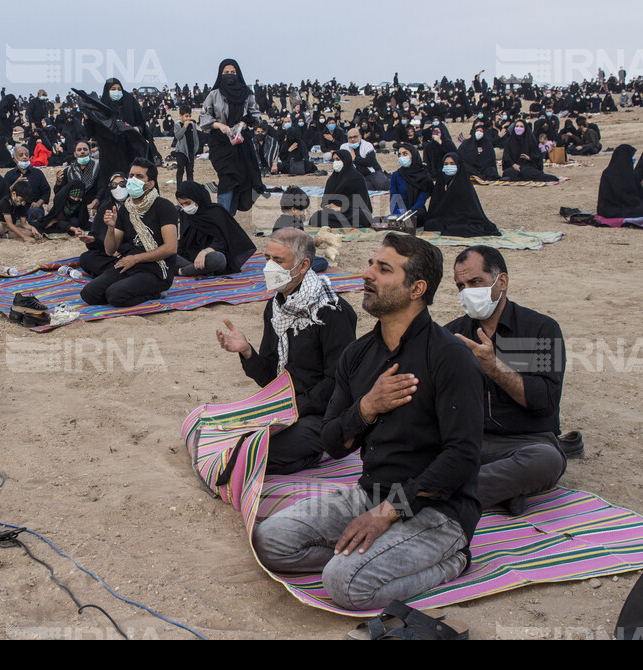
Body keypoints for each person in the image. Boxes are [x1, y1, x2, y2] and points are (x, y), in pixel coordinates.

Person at [253, 234, 484, 611]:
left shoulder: (450, 357)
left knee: (344, 584)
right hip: (368, 494)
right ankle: (365, 556)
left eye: (383, 269)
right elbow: (330, 442)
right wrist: (367, 407)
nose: (367, 274)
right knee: (269, 540)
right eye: (371, 264)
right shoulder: (358, 355)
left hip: (436, 508)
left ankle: (455, 558)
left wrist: (388, 512)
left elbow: (463, 457)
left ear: (417, 289)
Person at [216, 228, 357, 475]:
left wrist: (290, 408)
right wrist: (247, 351)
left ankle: (318, 452)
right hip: (288, 407)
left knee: (250, 454)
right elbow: (271, 377)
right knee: (224, 438)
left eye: (278, 261)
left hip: (323, 415)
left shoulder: (331, 312)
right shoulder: (277, 307)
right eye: (267, 258)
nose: (269, 267)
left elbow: (338, 384)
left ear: (303, 266)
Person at [446, 246, 566, 515]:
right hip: (467, 441)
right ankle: (503, 491)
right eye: (460, 285)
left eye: (475, 282)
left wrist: (494, 367)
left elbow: (545, 402)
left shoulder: (540, 329)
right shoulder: (452, 335)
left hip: (524, 443)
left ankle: (445, 497)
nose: (467, 292)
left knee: (545, 461)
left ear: (502, 281)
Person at [80, 158, 178, 308]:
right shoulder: (127, 208)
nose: (133, 180)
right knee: (89, 294)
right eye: (131, 176)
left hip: (156, 270)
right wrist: (111, 228)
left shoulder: (163, 206)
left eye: (139, 177)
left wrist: (136, 259)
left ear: (150, 184)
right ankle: (129, 288)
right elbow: (110, 250)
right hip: (129, 265)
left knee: (115, 295)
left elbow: (171, 248)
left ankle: (156, 292)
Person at [199, 59, 264, 216]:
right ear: (221, 74)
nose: (229, 75)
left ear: (238, 74)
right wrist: (220, 126)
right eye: (226, 73)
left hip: (241, 144)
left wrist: (244, 123)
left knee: (240, 180)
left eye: (232, 73)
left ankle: (229, 216)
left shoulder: (247, 94)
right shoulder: (214, 95)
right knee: (227, 177)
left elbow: (256, 115)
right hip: (220, 143)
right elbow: (204, 117)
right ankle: (222, 215)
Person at [174, 181, 256, 276]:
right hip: (190, 258)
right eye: (182, 204)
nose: (185, 207)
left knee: (217, 259)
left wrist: (205, 252)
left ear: (197, 198)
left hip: (210, 257)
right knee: (164, 255)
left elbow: (224, 240)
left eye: (187, 203)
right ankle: (195, 269)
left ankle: (181, 271)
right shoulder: (185, 215)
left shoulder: (216, 212)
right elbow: (185, 243)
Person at [424, 154, 500, 237]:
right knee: (429, 224)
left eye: (452, 163)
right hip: (444, 217)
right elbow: (436, 205)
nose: (449, 166)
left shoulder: (463, 182)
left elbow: (468, 210)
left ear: (458, 165)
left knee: (458, 228)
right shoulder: (441, 181)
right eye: (446, 164)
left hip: (462, 218)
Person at [70, 172, 128, 276]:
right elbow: (100, 240)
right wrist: (93, 240)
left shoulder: (136, 205)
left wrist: (122, 250)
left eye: (122, 184)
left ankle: (113, 274)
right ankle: (117, 273)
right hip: (109, 254)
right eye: (113, 186)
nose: (118, 188)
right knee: (86, 258)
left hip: (130, 253)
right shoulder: (106, 206)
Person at [309, 149, 374, 229]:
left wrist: (341, 208)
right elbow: (325, 203)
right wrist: (331, 208)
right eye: (334, 160)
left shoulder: (358, 178)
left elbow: (363, 205)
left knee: (363, 215)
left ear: (346, 160)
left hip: (352, 213)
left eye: (338, 159)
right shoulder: (332, 180)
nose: (335, 162)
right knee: (317, 216)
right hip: (335, 215)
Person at [0, 180, 41, 245]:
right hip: (0, 223)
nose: (22, 203)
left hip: (11, 227)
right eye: (21, 200)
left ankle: (2, 236)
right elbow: (9, 223)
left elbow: (23, 224)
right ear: (13, 194)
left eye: (25, 201)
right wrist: (24, 237)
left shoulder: (22, 206)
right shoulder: (5, 203)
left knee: (29, 233)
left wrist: (32, 228)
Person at [2, 145, 50, 223]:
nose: (24, 157)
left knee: (36, 214)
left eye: (26, 155)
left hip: (32, 207)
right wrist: (16, 183)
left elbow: (46, 191)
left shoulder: (37, 173)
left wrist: (38, 203)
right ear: (15, 159)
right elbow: (4, 193)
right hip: (15, 208)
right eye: (21, 155)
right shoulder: (9, 175)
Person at [388, 143, 432, 225]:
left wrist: (409, 212)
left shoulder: (423, 175)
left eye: (405, 154)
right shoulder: (396, 175)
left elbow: (421, 200)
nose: (402, 157)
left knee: (418, 215)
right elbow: (394, 198)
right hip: (401, 211)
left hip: (416, 211)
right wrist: (399, 214)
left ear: (413, 155)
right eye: (400, 155)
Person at [597, 144, 643, 218]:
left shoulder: (627, 172)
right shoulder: (609, 174)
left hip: (621, 206)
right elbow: (624, 196)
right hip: (612, 209)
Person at [342, 127, 389, 191]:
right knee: (361, 188)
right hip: (356, 175)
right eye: (350, 137)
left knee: (384, 186)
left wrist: (355, 158)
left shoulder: (367, 145)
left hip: (372, 172)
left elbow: (370, 162)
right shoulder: (343, 147)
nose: (352, 139)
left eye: (355, 137)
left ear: (360, 136)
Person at [172, 106, 198, 186]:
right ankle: (179, 187)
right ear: (181, 116)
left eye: (189, 116)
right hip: (181, 152)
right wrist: (184, 127)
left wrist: (195, 150)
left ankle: (191, 187)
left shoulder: (192, 125)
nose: (188, 118)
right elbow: (178, 136)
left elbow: (195, 137)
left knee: (190, 171)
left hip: (190, 152)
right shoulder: (177, 125)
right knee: (180, 170)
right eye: (186, 116)